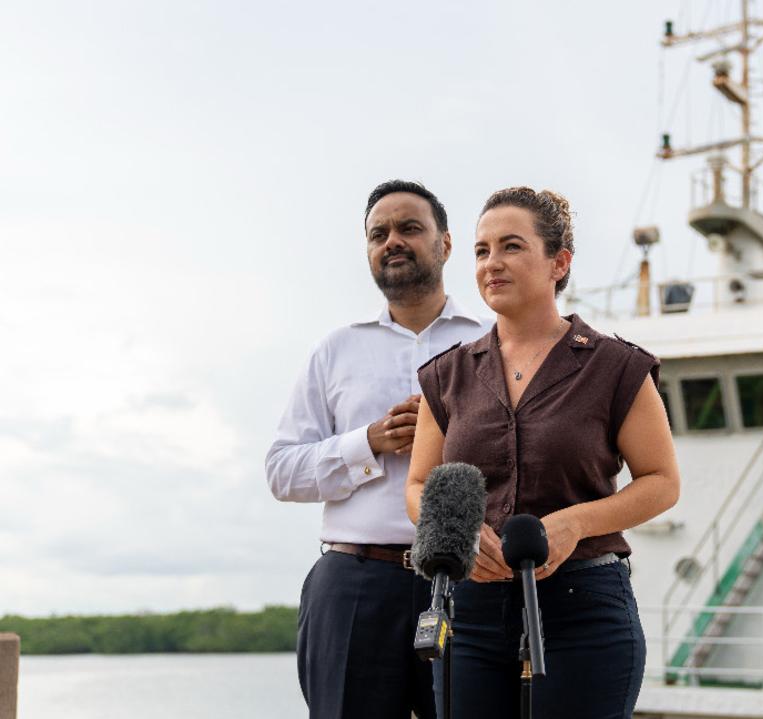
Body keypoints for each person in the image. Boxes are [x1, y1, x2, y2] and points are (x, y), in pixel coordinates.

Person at [405, 187, 680, 718]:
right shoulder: (447, 375)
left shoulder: (616, 367)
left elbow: (662, 481)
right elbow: (417, 486)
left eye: (511, 247)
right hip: (472, 617)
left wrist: (576, 523)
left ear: (560, 263)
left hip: (584, 610)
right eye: (482, 251)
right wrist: (455, 533)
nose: (492, 264)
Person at [266, 180, 490, 718]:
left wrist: (451, 436)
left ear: (446, 244)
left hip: (474, 581)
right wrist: (366, 443)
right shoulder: (335, 350)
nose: (393, 240)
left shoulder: (493, 342)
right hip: (354, 586)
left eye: (410, 228)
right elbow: (280, 472)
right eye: (378, 233)